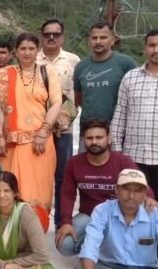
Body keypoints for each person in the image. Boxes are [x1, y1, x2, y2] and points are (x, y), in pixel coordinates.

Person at [56, 118, 158, 256]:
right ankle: (104, 250)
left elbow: (141, 184)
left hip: (118, 217)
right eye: (89, 138)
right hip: (89, 216)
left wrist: (149, 198)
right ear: (83, 139)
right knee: (65, 244)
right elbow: (67, 194)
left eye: (99, 137)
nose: (94, 142)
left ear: (109, 139)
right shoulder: (74, 163)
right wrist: (66, 222)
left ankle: (101, 250)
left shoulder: (123, 161)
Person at [0, 32, 62, 231]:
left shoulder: (46, 71)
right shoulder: (5, 74)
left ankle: (35, 239)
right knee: (11, 190)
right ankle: (10, 241)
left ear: (38, 50)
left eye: (31, 48)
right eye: (22, 48)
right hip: (11, 145)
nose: (27, 52)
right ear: (15, 51)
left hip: (39, 144)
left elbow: (57, 103)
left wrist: (43, 131)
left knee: (38, 192)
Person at [36, 19, 82, 228]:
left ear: (62, 36)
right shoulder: (33, 59)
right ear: (42, 36)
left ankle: (62, 223)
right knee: (38, 177)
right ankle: (37, 223)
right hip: (37, 131)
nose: (51, 38)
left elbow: (77, 97)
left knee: (62, 178)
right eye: (47, 34)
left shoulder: (73, 61)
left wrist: (59, 124)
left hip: (64, 130)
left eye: (56, 34)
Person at [74, 22, 137, 151]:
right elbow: (78, 99)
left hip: (117, 132)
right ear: (89, 41)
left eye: (103, 37)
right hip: (88, 131)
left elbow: (135, 96)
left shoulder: (126, 63)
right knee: (87, 169)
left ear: (112, 40)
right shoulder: (81, 67)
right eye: (94, 38)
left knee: (117, 170)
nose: (98, 41)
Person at [79, 169, 158, 268]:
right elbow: (90, 246)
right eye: (126, 189)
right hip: (108, 265)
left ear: (145, 193)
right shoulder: (102, 210)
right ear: (116, 189)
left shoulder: (154, 213)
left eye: (137, 191)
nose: (131, 196)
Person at [111, 29, 158, 195]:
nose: (156, 50)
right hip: (133, 158)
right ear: (145, 48)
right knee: (133, 208)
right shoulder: (130, 78)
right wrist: (117, 154)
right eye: (152, 45)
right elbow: (119, 117)